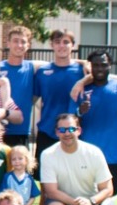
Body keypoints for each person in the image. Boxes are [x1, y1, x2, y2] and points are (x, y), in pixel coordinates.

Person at [39, 112, 112, 205]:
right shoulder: (48, 154)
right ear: (56, 132)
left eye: (71, 129)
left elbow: (108, 189)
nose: (67, 133)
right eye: (62, 130)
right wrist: (78, 204)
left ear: (79, 130)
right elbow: (51, 192)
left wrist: (90, 202)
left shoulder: (94, 153)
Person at [72, 49, 117, 181]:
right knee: (89, 201)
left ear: (110, 65)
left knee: (114, 201)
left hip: (115, 158)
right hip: (87, 158)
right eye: (96, 65)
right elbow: (71, 124)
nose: (99, 68)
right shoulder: (81, 90)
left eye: (103, 65)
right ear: (90, 66)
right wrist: (80, 112)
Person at [31, 29, 84, 157]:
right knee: (42, 175)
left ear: (73, 45)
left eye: (66, 42)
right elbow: (33, 100)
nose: (61, 46)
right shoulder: (43, 72)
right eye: (57, 42)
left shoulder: (82, 71)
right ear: (52, 45)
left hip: (72, 132)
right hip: (47, 131)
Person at [0, 26, 38, 148]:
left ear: (28, 45)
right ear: (8, 43)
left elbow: (59, 63)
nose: (19, 45)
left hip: (21, 131)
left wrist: (83, 62)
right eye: (15, 41)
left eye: (23, 42)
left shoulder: (32, 67)